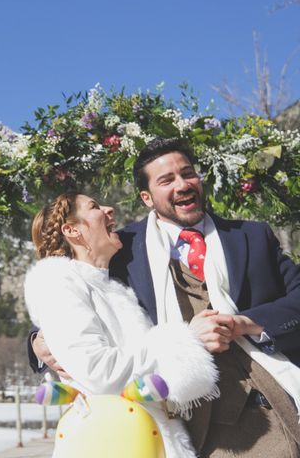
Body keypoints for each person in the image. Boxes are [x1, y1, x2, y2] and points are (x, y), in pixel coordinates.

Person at [30, 138, 300, 457]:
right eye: (167, 180)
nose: (183, 184)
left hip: (274, 404)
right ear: (147, 197)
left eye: (188, 174)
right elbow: (70, 293)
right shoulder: (121, 247)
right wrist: (37, 341)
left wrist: (247, 323)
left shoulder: (252, 235)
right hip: (182, 425)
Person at [25, 191, 220, 457]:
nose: (109, 209)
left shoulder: (112, 288)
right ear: (72, 231)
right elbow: (99, 373)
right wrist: (186, 340)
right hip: (112, 440)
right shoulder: (59, 283)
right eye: (94, 207)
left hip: (147, 437)